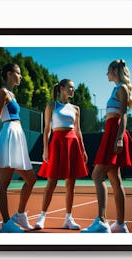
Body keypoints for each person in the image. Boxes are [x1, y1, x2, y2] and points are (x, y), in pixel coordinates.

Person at [81, 59, 132, 233]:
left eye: (108, 71)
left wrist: (119, 138)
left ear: (115, 70)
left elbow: (123, 116)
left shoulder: (121, 88)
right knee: (115, 179)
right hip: (111, 132)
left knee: (97, 175)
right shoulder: (117, 88)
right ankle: (121, 225)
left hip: (115, 133)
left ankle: (101, 222)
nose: (106, 74)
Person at [0, 63, 36, 233]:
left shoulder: (12, 94)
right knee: (4, 183)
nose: (20, 76)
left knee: (31, 179)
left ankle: (20, 214)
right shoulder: (2, 92)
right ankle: (6, 222)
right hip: (8, 136)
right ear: (9, 74)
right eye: (18, 73)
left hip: (17, 136)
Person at [35, 79, 89, 230]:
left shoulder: (76, 109)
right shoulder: (51, 106)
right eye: (70, 88)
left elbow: (78, 131)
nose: (73, 90)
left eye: (73, 88)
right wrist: (45, 149)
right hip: (57, 144)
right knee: (51, 182)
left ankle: (68, 219)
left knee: (70, 183)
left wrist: (83, 150)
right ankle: (42, 217)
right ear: (61, 89)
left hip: (73, 145)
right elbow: (46, 130)